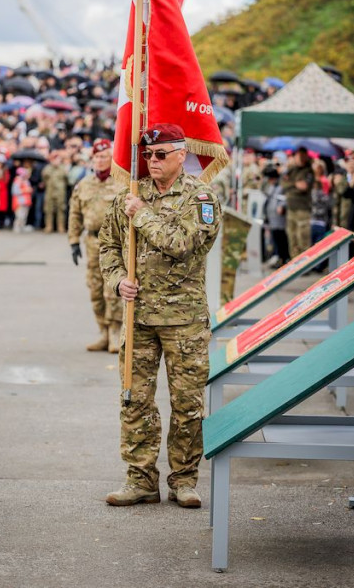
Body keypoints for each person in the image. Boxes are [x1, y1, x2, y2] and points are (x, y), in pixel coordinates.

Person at [99, 123, 221, 508]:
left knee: (186, 404)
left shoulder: (200, 198)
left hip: (183, 319)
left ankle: (183, 481)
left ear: (181, 155)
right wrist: (119, 281)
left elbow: (183, 245)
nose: (152, 161)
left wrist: (142, 217)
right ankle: (140, 479)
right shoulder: (130, 196)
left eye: (161, 155)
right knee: (134, 400)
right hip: (139, 318)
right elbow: (108, 245)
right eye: (147, 155)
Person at [68, 139, 123, 353]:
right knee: (95, 289)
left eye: (104, 156)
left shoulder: (121, 183)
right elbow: (74, 214)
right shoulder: (84, 184)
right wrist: (73, 241)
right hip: (92, 242)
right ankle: (102, 331)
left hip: (115, 244)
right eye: (97, 157)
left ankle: (115, 333)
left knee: (113, 289)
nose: (100, 160)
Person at [281, 147, 314, 257]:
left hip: (302, 209)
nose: (299, 158)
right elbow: (283, 184)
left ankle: (304, 264)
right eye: (298, 155)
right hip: (291, 208)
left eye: (302, 155)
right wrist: (295, 184)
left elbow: (304, 186)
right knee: (292, 236)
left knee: (303, 237)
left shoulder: (308, 171)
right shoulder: (292, 170)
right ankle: (294, 263)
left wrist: (291, 183)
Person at [42, 151, 68, 234]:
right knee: (48, 210)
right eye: (54, 159)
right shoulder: (47, 168)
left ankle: (61, 227)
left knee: (61, 210)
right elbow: (44, 179)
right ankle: (49, 226)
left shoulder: (63, 168)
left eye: (58, 159)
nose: (56, 161)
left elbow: (66, 180)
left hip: (60, 192)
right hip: (50, 191)